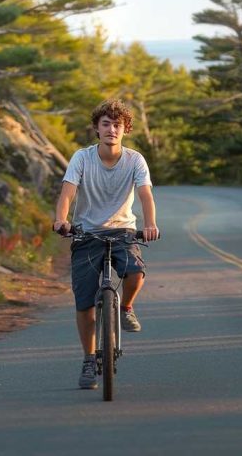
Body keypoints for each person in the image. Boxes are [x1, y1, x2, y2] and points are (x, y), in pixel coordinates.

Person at [53, 99, 160, 390]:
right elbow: (67, 193)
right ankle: (89, 359)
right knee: (85, 303)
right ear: (96, 129)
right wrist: (61, 220)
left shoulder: (135, 159)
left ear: (125, 129)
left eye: (117, 124)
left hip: (123, 231)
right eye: (106, 124)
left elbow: (146, 195)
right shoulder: (82, 158)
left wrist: (149, 225)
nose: (112, 129)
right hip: (87, 234)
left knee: (135, 272)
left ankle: (125, 307)